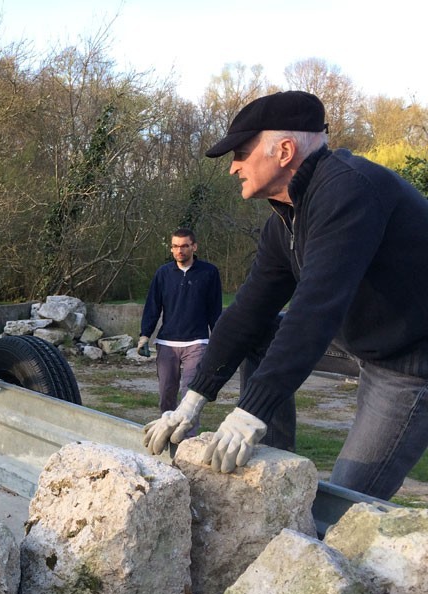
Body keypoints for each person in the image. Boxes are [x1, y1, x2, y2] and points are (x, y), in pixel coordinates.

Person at [144, 90, 428, 500]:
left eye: (241, 152)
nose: (233, 168)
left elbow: (315, 311)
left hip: (410, 362)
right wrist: (192, 400)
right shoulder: (285, 221)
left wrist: (250, 412)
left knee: (338, 508)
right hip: (363, 342)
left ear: (285, 150)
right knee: (259, 331)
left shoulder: (349, 191)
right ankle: (276, 471)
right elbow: (246, 313)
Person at [138, 228, 222, 433]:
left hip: (197, 342)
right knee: (167, 393)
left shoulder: (209, 273)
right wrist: (144, 336)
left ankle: (188, 440)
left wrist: (220, 342)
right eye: (175, 246)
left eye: (184, 246)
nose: (179, 250)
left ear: (194, 246)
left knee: (190, 394)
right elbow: (153, 306)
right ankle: (166, 434)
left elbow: (215, 309)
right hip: (167, 344)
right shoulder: (163, 274)